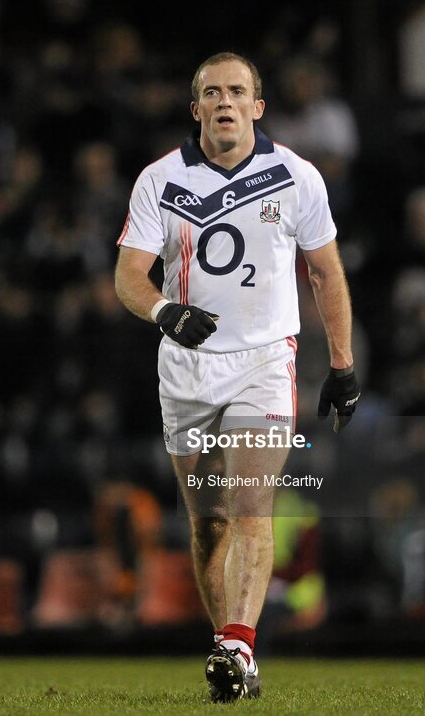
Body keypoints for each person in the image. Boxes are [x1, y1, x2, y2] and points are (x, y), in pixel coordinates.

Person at [114, 51, 359, 702]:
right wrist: (166, 310)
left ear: (258, 106)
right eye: (212, 93)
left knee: (252, 508)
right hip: (187, 370)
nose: (225, 101)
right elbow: (129, 275)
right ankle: (231, 646)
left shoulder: (296, 176)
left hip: (263, 365)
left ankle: (236, 645)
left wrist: (342, 364)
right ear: (195, 108)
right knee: (208, 523)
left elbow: (327, 271)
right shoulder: (160, 181)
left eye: (237, 91)